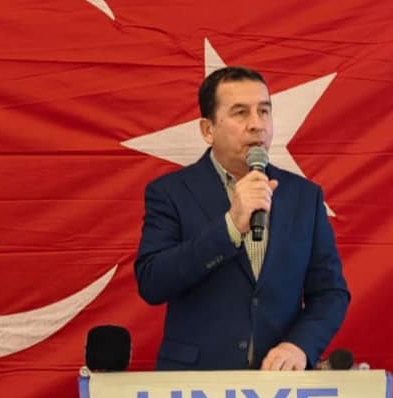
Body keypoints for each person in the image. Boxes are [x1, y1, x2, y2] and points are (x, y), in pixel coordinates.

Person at [135, 66, 350, 371]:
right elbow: (152, 283)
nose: (257, 125)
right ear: (207, 130)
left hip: (279, 381)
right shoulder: (170, 192)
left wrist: (300, 345)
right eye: (240, 113)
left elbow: (330, 292)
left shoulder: (304, 196)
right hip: (195, 382)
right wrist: (230, 226)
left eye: (264, 111)